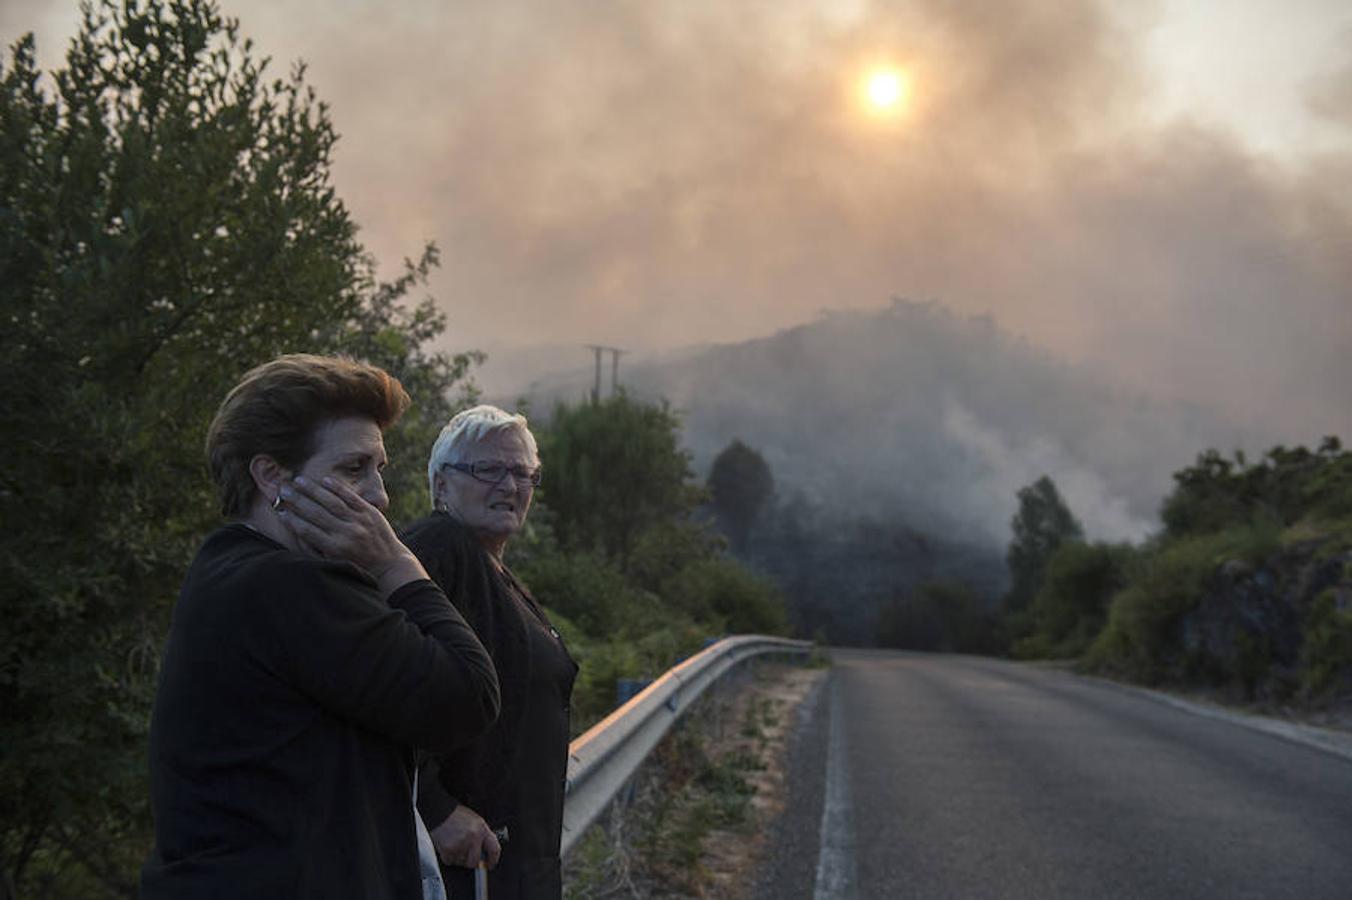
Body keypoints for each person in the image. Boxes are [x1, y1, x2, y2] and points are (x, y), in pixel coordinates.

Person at [141, 354, 501, 899]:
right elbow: (468, 695)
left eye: (378, 468)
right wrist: (395, 564)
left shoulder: (229, 568)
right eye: (352, 469)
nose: (379, 496)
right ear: (271, 477)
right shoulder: (288, 587)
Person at [403, 405, 577, 900]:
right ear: (440, 485)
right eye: (487, 469)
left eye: (523, 473)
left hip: (510, 859)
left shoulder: (491, 568)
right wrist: (434, 807)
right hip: (461, 865)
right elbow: (383, 681)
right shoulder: (439, 547)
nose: (510, 484)